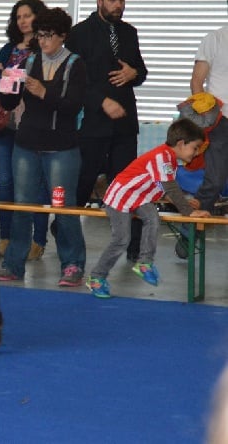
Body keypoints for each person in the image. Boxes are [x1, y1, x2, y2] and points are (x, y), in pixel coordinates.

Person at [0, 7, 87, 286]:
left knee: (63, 207)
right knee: (23, 206)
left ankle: (72, 264)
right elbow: (10, 104)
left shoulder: (76, 64)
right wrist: (7, 86)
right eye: (40, 35)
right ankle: (13, 263)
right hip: (27, 143)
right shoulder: (29, 61)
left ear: (62, 36)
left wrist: (43, 92)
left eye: (48, 35)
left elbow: (73, 106)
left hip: (61, 147)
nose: (43, 41)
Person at [86, 119, 211, 298]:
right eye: (195, 147)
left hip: (139, 198)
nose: (197, 153)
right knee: (121, 240)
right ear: (182, 144)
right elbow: (170, 187)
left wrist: (184, 202)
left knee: (153, 218)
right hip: (121, 197)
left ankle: (144, 262)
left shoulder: (170, 161)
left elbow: (162, 188)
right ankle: (96, 278)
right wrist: (188, 211)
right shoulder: (163, 156)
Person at [65, 0, 148, 261]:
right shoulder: (79, 33)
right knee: (82, 182)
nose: (118, 5)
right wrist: (101, 101)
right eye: (112, 0)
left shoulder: (129, 32)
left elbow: (142, 72)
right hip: (93, 122)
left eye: (122, 1)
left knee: (127, 185)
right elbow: (75, 81)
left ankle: (134, 248)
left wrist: (134, 73)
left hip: (124, 122)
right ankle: (64, 232)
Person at [0, 0, 49, 260]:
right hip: (4, 124)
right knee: (6, 182)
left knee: (36, 184)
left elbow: (35, 80)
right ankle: (6, 237)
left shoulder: (45, 46)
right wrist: (9, 75)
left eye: (27, 15)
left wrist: (8, 73)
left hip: (33, 124)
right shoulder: (9, 47)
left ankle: (38, 239)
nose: (22, 21)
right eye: (18, 16)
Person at [188, 26, 228, 213]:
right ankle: (188, 236)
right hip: (220, 120)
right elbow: (197, 81)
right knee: (215, 180)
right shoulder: (216, 38)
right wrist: (206, 117)